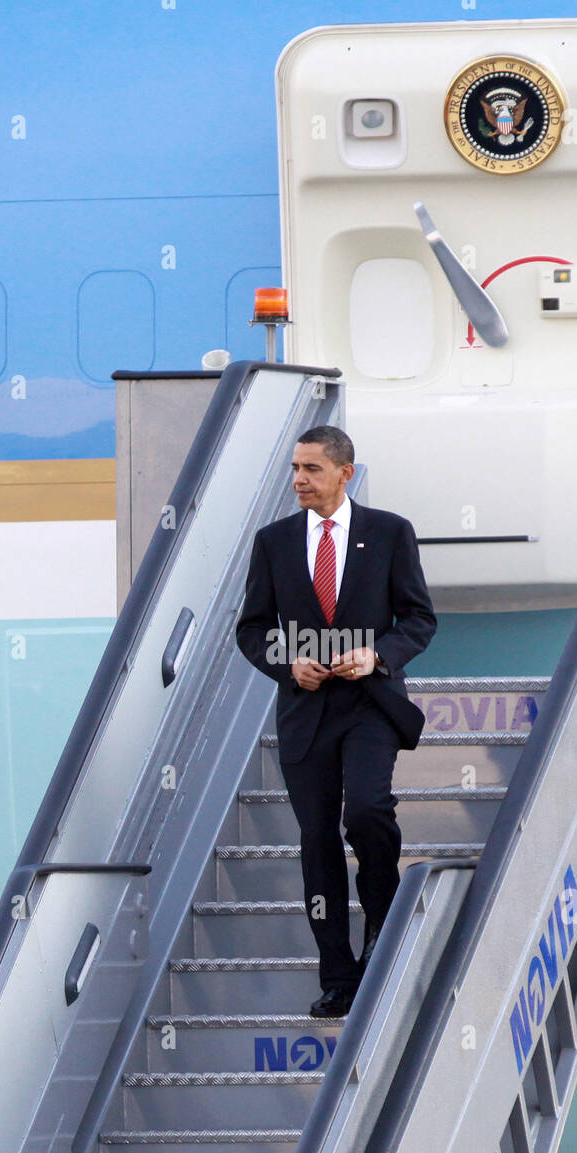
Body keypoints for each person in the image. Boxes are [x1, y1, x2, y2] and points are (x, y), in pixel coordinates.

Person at [235, 425, 436, 1017]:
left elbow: (419, 619)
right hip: (306, 710)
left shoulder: (390, 532)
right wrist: (286, 663)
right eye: (295, 469)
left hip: (370, 703)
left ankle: (380, 929)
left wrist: (378, 655)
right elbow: (251, 628)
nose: (299, 479)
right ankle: (338, 976)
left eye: (311, 469)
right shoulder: (273, 541)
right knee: (317, 841)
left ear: (344, 473)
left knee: (368, 813)